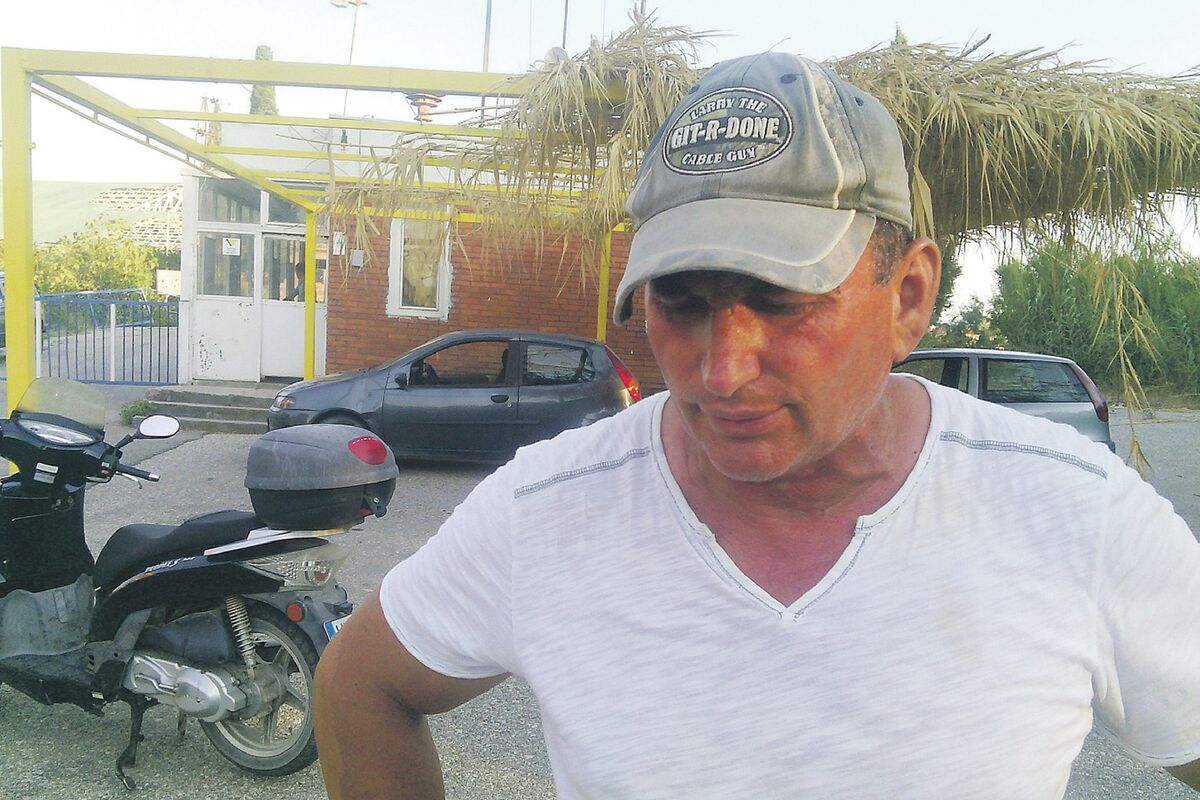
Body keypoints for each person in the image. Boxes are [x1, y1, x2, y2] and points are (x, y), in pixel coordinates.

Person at [313, 52, 1200, 798]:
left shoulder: (1075, 514)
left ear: (909, 298)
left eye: (783, 300)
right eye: (681, 302)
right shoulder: (547, 510)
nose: (721, 371)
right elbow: (360, 684)